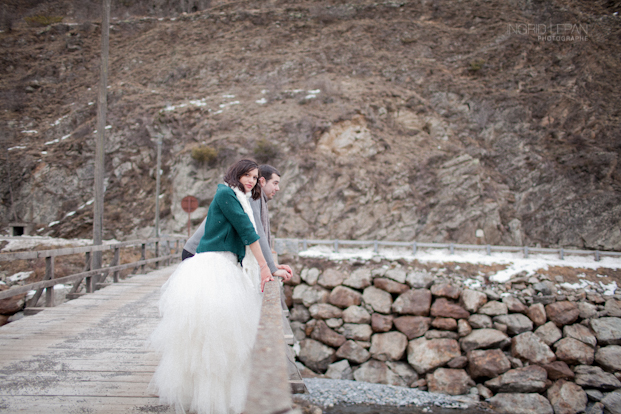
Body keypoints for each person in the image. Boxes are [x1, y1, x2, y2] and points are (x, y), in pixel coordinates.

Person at [148, 159, 289, 414]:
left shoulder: (239, 196)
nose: (251, 180)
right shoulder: (226, 194)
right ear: (235, 174)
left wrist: (267, 265)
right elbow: (249, 231)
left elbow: (253, 232)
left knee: (221, 337)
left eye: (254, 177)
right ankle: (206, 397)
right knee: (211, 336)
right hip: (213, 267)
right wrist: (266, 267)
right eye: (247, 175)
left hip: (225, 265)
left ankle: (214, 395)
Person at [182, 164, 291, 280]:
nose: (278, 188)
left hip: (215, 254)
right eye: (275, 183)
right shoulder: (249, 197)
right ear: (262, 182)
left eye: (254, 177)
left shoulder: (246, 196)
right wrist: (269, 267)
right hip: (200, 253)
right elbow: (255, 233)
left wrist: (270, 265)